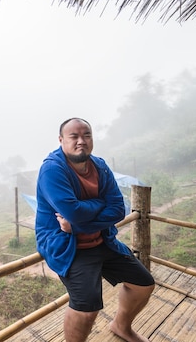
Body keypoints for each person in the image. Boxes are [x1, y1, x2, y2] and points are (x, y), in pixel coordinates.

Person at [35, 117, 154, 342]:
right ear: (61, 140)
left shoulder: (99, 165)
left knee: (143, 284)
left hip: (102, 239)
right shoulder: (52, 169)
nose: (81, 141)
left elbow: (119, 209)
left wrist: (77, 224)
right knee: (87, 307)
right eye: (74, 136)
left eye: (86, 135)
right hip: (68, 245)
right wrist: (99, 204)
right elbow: (73, 211)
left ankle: (122, 326)